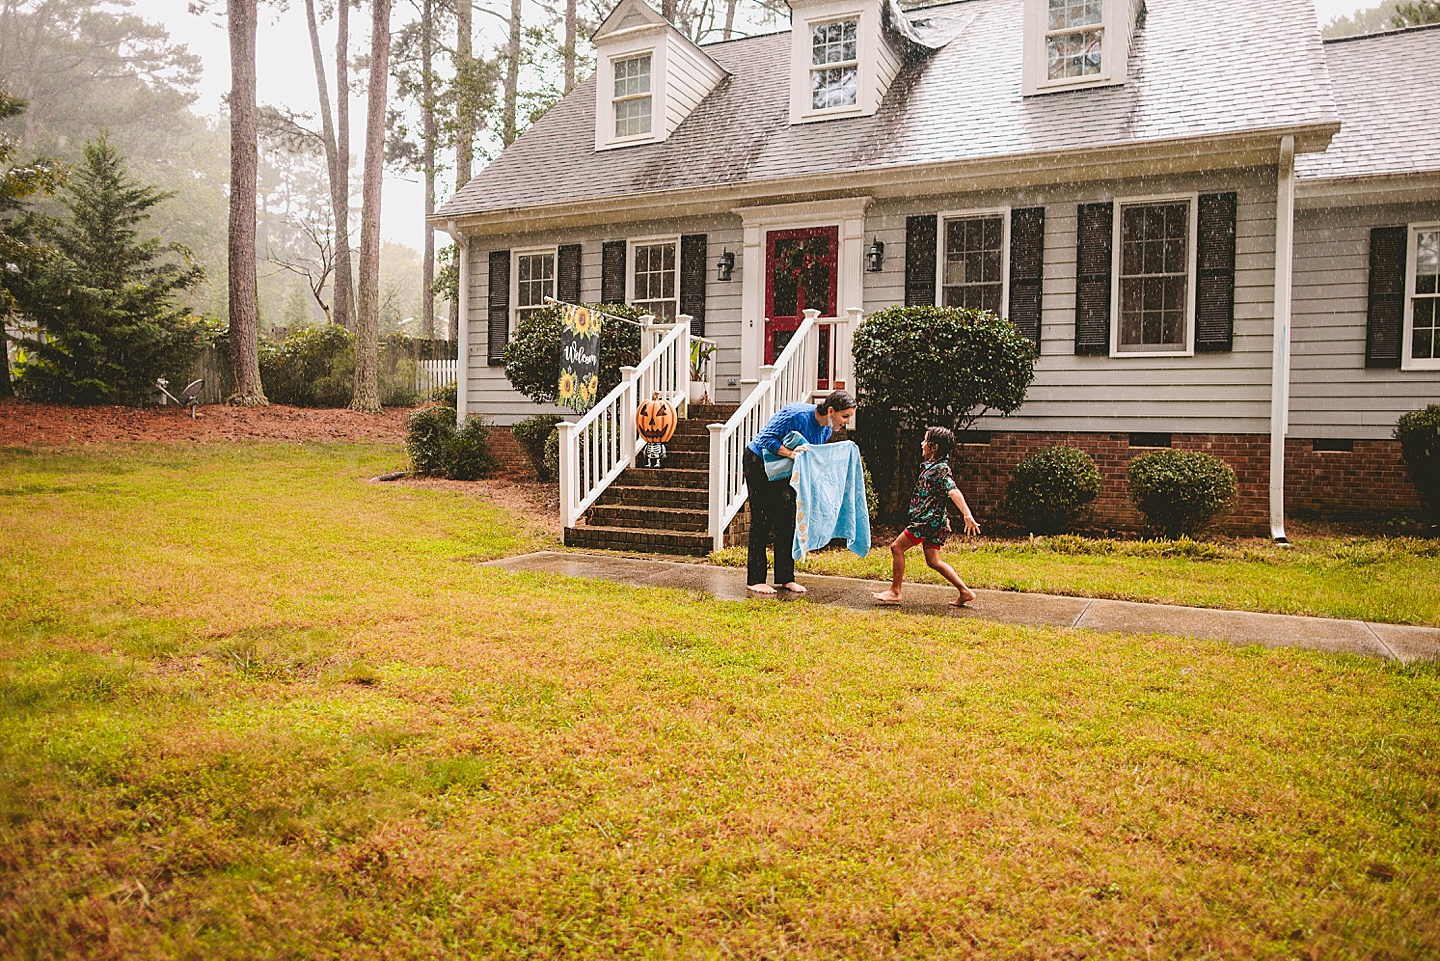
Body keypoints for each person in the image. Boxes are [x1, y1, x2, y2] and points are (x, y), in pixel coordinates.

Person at [743, 389, 857, 595]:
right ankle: (755, 579)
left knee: (787, 520)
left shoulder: (825, 431)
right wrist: (791, 453)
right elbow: (766, 438)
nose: (847, 421)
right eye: (845, 416)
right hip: (758, 461)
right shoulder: (796, 414)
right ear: (831, 411)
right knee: (761, 519)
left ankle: (786, 577)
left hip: (784, 468)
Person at [872, 426, 981, 608]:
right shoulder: (932, 467)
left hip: (926, 521)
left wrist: (967, 515)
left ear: (934, 447)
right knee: (933, 561)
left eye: (925, 440)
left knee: (896, 547)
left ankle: (895, 591)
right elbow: (938, 495)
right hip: (935, 521)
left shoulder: (940, 469)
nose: (922, 444)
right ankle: (964, 591)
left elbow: (953, 491)